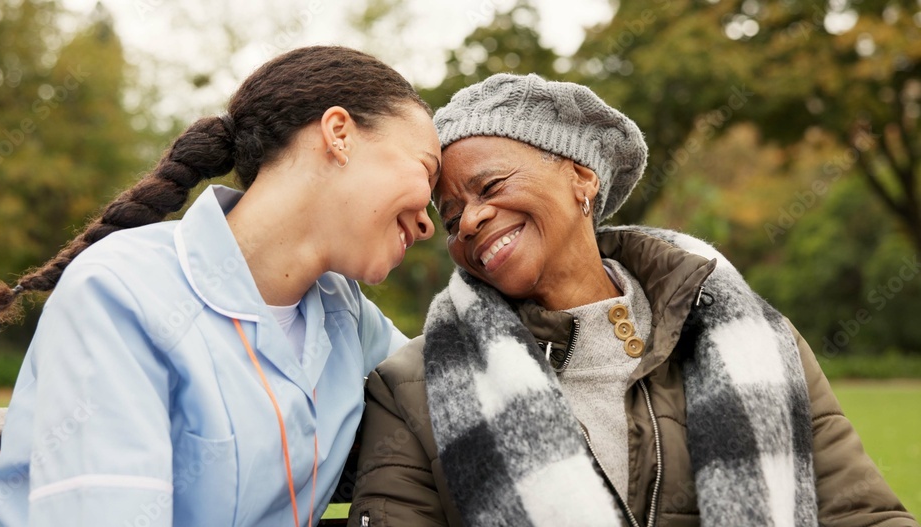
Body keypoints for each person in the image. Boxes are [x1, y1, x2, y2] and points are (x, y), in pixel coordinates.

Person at [348, 73, 918, 527]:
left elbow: (863, 515)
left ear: (581, 178)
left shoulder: (759, 342)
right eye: (450, 219)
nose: (470, 220)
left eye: (491, 188)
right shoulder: (409, 387)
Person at [0, 45, 442, 527]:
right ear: (339, 135)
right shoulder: (119, 291)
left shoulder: (344, 312)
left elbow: (450, 378)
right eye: (426, 172)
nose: (429, 226)